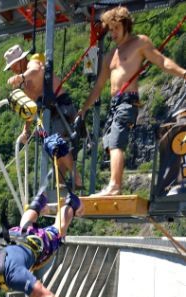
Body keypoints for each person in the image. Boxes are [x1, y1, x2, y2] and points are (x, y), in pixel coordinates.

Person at [79, 6, 186, 196]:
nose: (112, 33)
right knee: (110, 143)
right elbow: (98, 87)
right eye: (109, 30)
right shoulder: (110, 56)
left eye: (115, 29)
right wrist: (84, 109)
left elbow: (163, 62)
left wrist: (183, 73)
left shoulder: (139, 43)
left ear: (125, 25)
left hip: (128, 101)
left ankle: (114, 186)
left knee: (116, 142)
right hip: (114, 104)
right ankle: (114, 184)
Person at [4, 44, 83, 188]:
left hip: (61, 108)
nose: (12, 70)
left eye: (13, 66)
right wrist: (25, 131)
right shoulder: (25, 84)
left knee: (55, 144)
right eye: (11, 68)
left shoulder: (32, 64)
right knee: (55, 151)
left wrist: (20, 77)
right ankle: (61, 185)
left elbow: (37, 70)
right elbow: (30, 108)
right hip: (51, 114)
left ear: (21, 60)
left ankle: (76, 177)